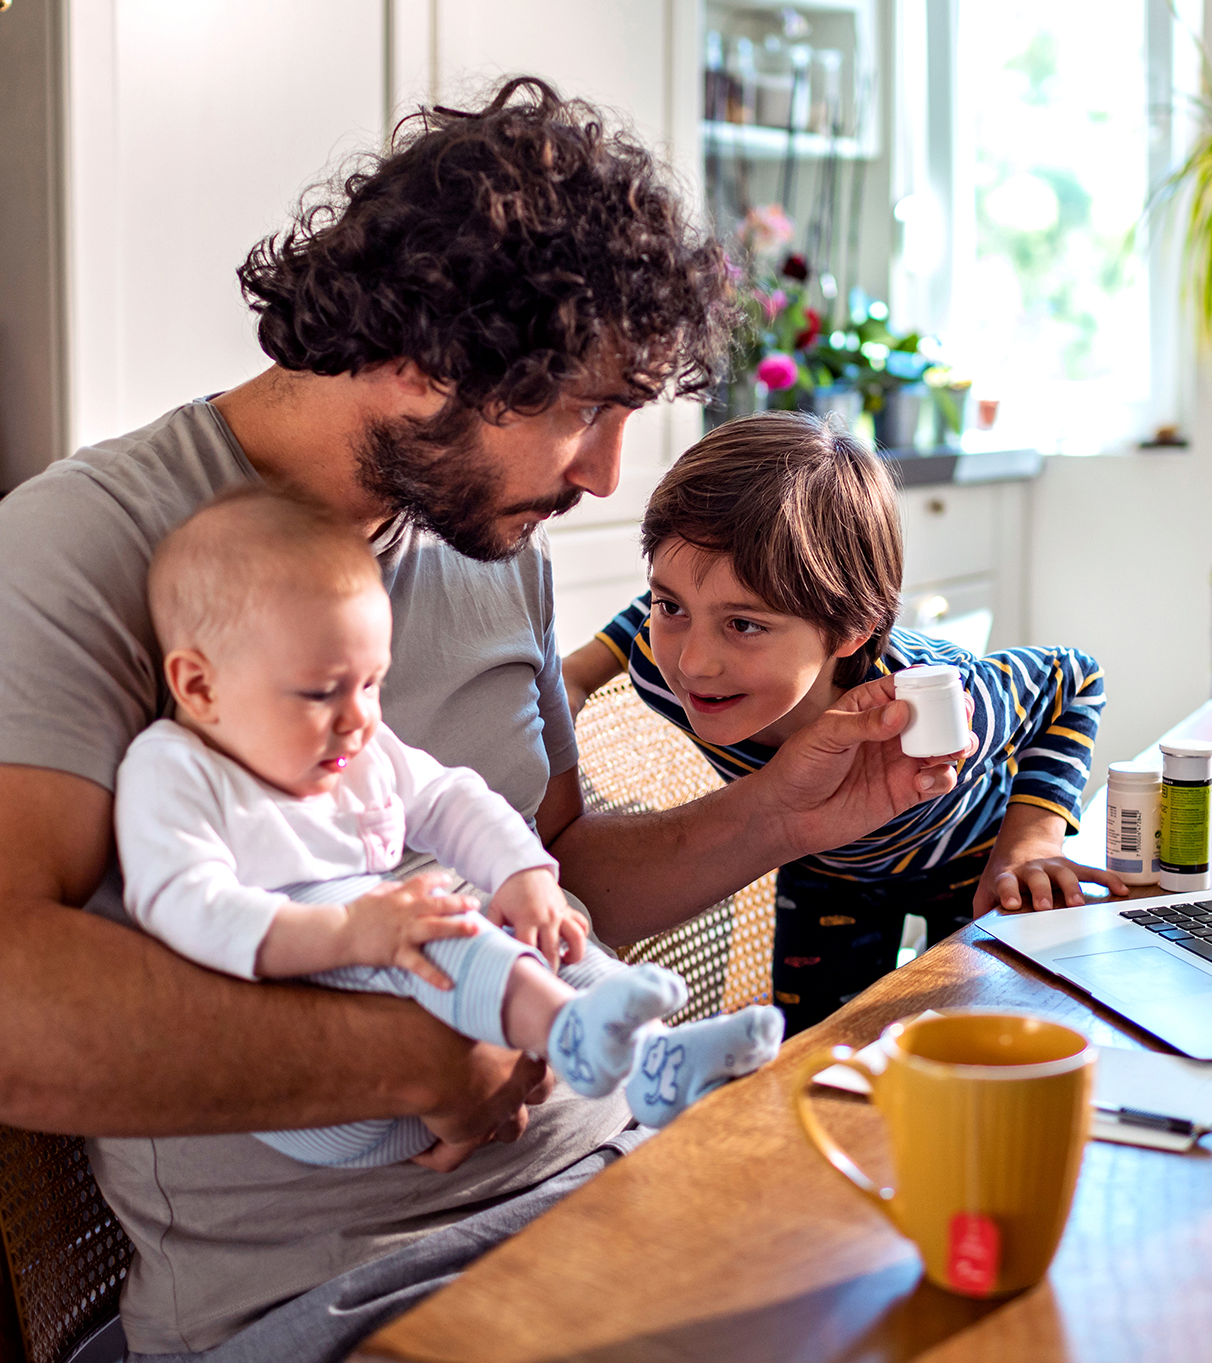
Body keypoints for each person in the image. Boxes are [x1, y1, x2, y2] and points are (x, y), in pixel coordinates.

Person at [0, 78, 967, 1361]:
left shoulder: (483, 537)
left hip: (611, 1172)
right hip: (349, 1291)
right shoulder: (88, 545)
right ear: (420, 358)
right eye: (582, 410)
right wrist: (413, 1059)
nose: (608, 474)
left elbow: (545, 874)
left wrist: (784, 811)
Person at [118, 488, 783, 1168]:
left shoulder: (357, 747)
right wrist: (350, 931)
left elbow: (448, 796)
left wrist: (523, 874)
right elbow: (179, 901)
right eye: (322, 692)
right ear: (200, 688)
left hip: (437, 1084)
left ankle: (654, 1057)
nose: (357, 718)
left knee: (538, 931)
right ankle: (567, 1029)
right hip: (324, 1093)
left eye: (371, 684)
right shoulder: (175, 768)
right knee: (433, 918)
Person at [562, 412, 1124, 1034]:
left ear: (851, 629)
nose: (693, 663)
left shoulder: (935, 705)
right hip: (824, 871)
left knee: (980, 1039)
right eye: (675, 610)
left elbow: (1074, 678)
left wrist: (1030, 842)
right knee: (817, 1053)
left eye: (744, 624)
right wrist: (579, 673)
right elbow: (656, 604)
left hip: (971, 858)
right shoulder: (659, 664)